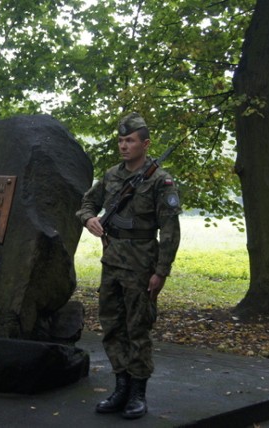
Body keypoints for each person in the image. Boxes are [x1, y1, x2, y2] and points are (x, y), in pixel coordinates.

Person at [76, 112, 181, 419]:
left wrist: (161, 271)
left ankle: (137, 393)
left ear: (145, 144)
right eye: (121, 141)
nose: (124, 146)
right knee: (112, 326)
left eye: (130, 141)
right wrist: (89, 219)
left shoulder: (161, 181)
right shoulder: (111, 176)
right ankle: (120, 386)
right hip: (112, 261)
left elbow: (170, 230)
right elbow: (86, 204)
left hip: (142, 265)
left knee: (138, 329)